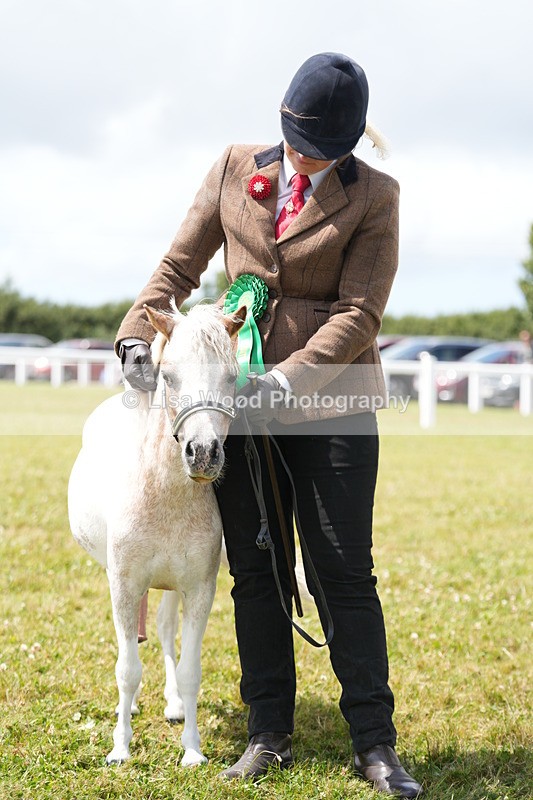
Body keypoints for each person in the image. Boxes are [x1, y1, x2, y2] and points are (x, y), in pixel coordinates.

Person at [115, 53, 423, 798]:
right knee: (253, 570)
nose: (299, 162)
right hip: (233, 407)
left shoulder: (375, 197)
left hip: (331, 404)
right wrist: (132, 333)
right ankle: (267, 733)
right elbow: (178, 265)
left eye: (317, 155)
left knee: (340, 572)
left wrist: (284, 379)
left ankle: (374, 744)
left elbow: (359, 313)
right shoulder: (230, 166)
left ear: (349, 147)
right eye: (293, 145)